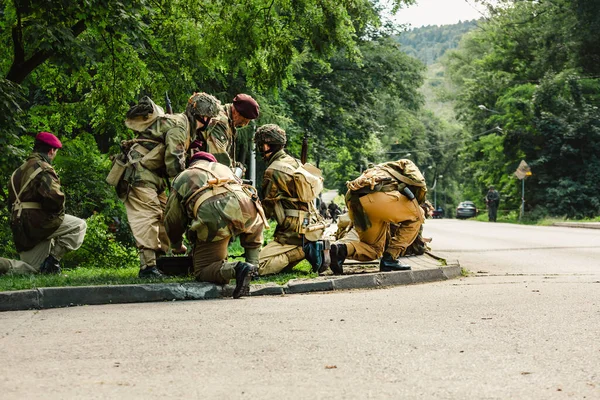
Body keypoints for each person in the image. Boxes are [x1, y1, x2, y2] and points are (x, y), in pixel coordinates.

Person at [118, 92, 221, 278]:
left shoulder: (185, 127)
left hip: (153, 177)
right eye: (209, 118)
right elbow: (174, 161)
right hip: (139, 174)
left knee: (167, 215)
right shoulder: (180, 127)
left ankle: (160, 261)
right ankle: (148, 267)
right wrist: (185, 188)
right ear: (203, 117)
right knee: (148, 217)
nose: (209, 123)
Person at [163, 150, 265, 298]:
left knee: (203, 269)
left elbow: (173, 220)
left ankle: (239, 269)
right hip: (249, 208)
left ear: (192, 164)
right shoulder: (225, 170)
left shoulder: (184, 176)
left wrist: (177, 245)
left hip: (214, 216)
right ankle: (253, 266)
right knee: (250, 221)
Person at [0, 132, 87, 275]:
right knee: (79, 226)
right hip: (39, 223)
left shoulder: (17, 172)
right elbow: (54, 199)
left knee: (34, 268)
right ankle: (53, 261)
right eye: (56, 152)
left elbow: (11, 203)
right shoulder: (43, 168)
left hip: (21, 226)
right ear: (52, 150)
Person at [328, 159, 427, 274]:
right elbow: (419, 183)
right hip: (377, 198)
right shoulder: (406, 164)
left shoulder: (374, 171)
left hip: (354, 200)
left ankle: (341, 249)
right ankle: (390, 258)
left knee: (373, 249)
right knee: (418, 215)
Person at [254, 124, 325, 275]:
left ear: (266, 145)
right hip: (311, 224)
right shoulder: (296, 162)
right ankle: (309, 247)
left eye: (261, 145)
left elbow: (267, 208)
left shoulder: (272, 171)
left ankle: (305, 250)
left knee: (256, 267)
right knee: (279, 265)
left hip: (293, 232)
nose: (260, 149)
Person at [200, 94, 260, 168]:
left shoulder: (229, 121)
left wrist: (234, 164)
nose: (244, 125)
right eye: (243, 121)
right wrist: (232, 173)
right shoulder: (220, 121)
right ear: (236, 112)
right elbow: (218, 157)